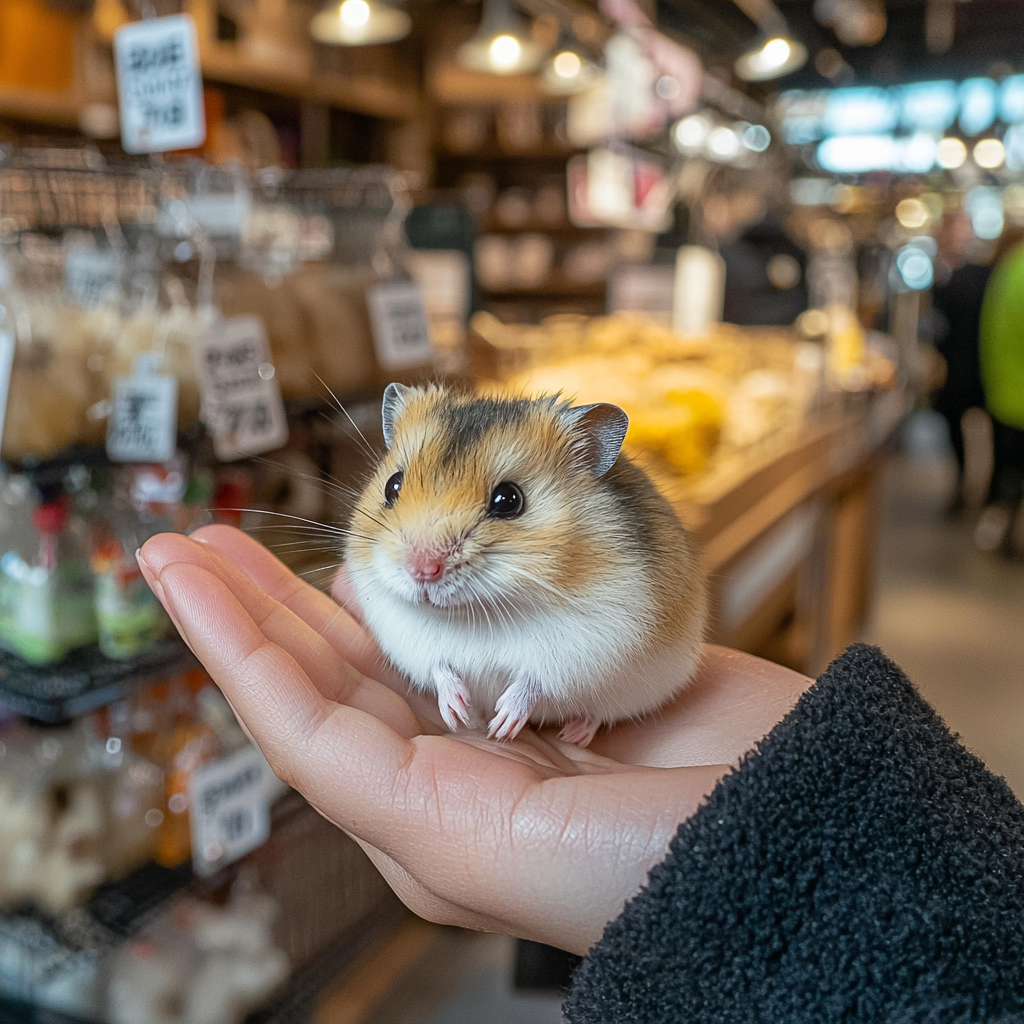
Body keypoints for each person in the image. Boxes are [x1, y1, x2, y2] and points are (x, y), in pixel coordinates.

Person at [138, 526, 1024, 1022]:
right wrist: (441, 669)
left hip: (616, 671)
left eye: (506, 500)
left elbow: (595, 639)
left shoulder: (605, 563)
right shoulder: (394, 564)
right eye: (403, 492)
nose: (424, 557)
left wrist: (552, 686)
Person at [979, 234, 1024, 555]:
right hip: (1017, 395)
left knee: (1007, 471)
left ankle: (998, 529)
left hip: (1003, 389)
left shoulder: (1009, 268)